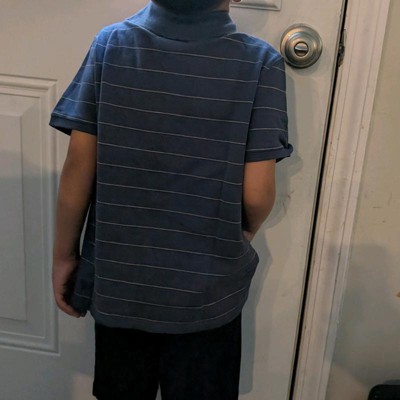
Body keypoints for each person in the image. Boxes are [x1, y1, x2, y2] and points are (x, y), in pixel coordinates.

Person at [49, 0, 293, 398]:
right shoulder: (260, 64)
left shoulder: (111, 46)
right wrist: (244, 232)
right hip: (208, 294)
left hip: (121, 285)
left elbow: (78, 166)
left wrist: (64, 256)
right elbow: (257, 193)